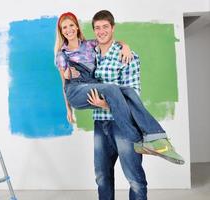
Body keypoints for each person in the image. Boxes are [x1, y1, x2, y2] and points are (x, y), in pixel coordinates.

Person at [54, 11, 184, 165]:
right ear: (61, 32)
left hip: (91, 84)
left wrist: (126, 46)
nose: (68, 30)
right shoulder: (62, 55)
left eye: (71, 25)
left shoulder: (89, 45)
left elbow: (110, 41)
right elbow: (64, 83)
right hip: (75, 91)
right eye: (64, 28)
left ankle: (156, 136)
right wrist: (68, 109)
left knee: (127, 91)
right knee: (111, 89)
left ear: (77, 27)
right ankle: (138, 139)